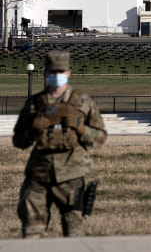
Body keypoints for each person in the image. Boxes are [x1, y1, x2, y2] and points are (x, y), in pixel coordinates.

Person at [13, 51, 107, 238]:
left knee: (74, 233)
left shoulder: (83, 102)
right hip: (39, 175)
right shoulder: (34, 105)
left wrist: (80, 129)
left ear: (69, 72)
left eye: (61, 71)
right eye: (52, 71)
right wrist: (32, 130)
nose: (57, 76)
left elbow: (100, 137)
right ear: (45, 73)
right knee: (32, 231)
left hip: (71, 176)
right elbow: (18, 141)